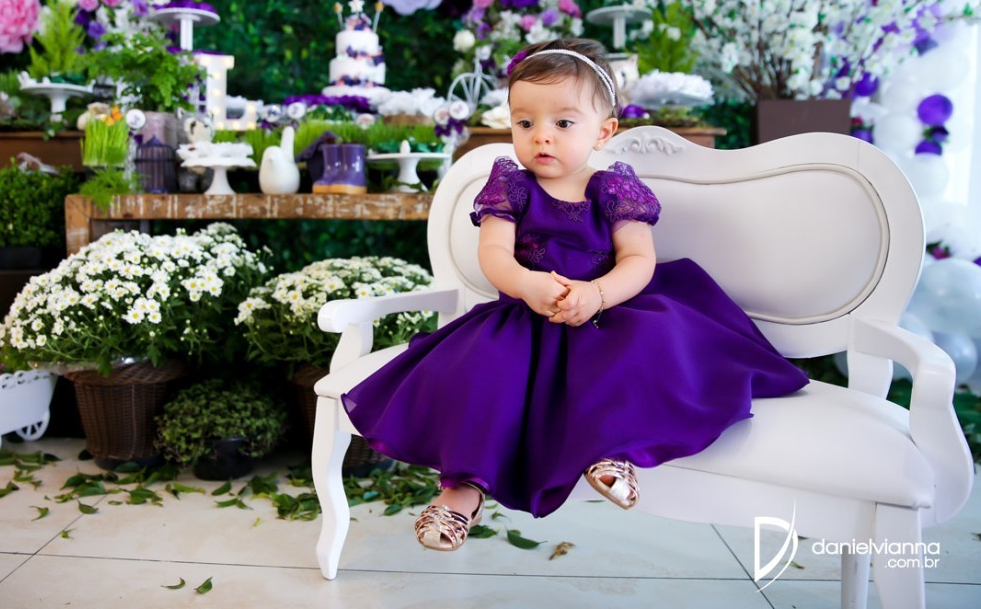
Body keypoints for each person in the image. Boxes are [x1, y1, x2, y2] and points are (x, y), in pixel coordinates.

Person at [342, 38, 809, 552]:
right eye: (525, 122)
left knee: (634, 354)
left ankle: (614, 451)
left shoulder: (613, 188)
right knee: (483, 374)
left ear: (603, 131)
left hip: (606, 310)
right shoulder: (510, 186)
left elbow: (639, 259)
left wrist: (598, 293)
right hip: (526, 312)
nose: (541, 136)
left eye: (563, 123)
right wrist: (527, 283)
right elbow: (493, 254)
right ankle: (461, 491)